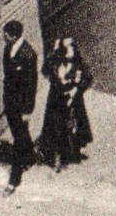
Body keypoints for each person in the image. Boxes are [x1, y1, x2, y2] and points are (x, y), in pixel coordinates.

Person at [37, 37, 94, 172]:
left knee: (74, 125)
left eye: (72, 46)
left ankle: (74, 151)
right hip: (57, 98)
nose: (70, 50)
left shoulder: (78, 64)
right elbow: (46, 71)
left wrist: (77, 90)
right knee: (55, 126)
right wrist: (53, 51)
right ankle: (55, 155)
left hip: (73, 98)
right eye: (67, 47)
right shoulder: (56, 63)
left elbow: (87, 78)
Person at [1, 19, 37, 194]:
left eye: (6, 35)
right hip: (10, 101)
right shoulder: (8, 49)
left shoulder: (29, 55)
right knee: (20, 133)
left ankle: (14, 180)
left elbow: (31, 86)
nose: (3, 37)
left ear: (14, 36)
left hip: (21, 105)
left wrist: (28, 110)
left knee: (18, 139)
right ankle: (30, 156)